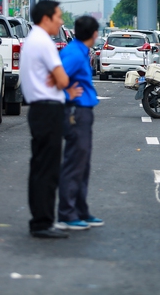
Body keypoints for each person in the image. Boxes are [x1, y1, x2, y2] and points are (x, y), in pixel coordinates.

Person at [20, 0, 82, 239]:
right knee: (47, 169)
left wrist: (56, 79)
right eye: (58, 16)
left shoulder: (32, 39)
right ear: (46, 18)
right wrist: (58, 79)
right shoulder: (43, 42)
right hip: (48, 111)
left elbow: (58, 78)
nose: (61, 21)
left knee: (40, 167)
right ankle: (42, 222)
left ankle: (41, 219)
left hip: (39, 109)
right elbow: (63, 80)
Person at [55, 16, 105, 231]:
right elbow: (53, 78)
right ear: (94, 34)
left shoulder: (78, 50)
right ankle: (67, 213)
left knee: (82, 163)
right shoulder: (75, 54)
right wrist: (67, 92)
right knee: (75, 162)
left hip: (82, 110)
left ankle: (80, 210)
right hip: (75, 111)